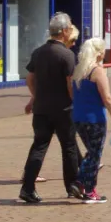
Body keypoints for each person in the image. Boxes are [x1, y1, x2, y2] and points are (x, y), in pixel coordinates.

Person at [19, 13, 82, 204]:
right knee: (69, 147)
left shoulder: (39, 52)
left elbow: (30, 78)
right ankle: (72, 185)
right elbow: (70, 83)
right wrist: (75, 102)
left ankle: (27, 188)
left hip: (42, 109)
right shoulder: (66, 54)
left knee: (39, 146)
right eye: (69, 27)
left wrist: (36, 96)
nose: (71, 30)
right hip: (63, 109)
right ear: (64, 31)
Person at [69, 38, 111, 203]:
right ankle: (88, 189)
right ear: (99, 52)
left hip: (79, 117)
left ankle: (80, 183)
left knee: (91, 153)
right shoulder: (97, 71)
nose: (105, 53)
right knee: (95, 155)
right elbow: (107, 98)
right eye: (103, 50)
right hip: (94, 119)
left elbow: (73, 94)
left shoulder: (78, 71)